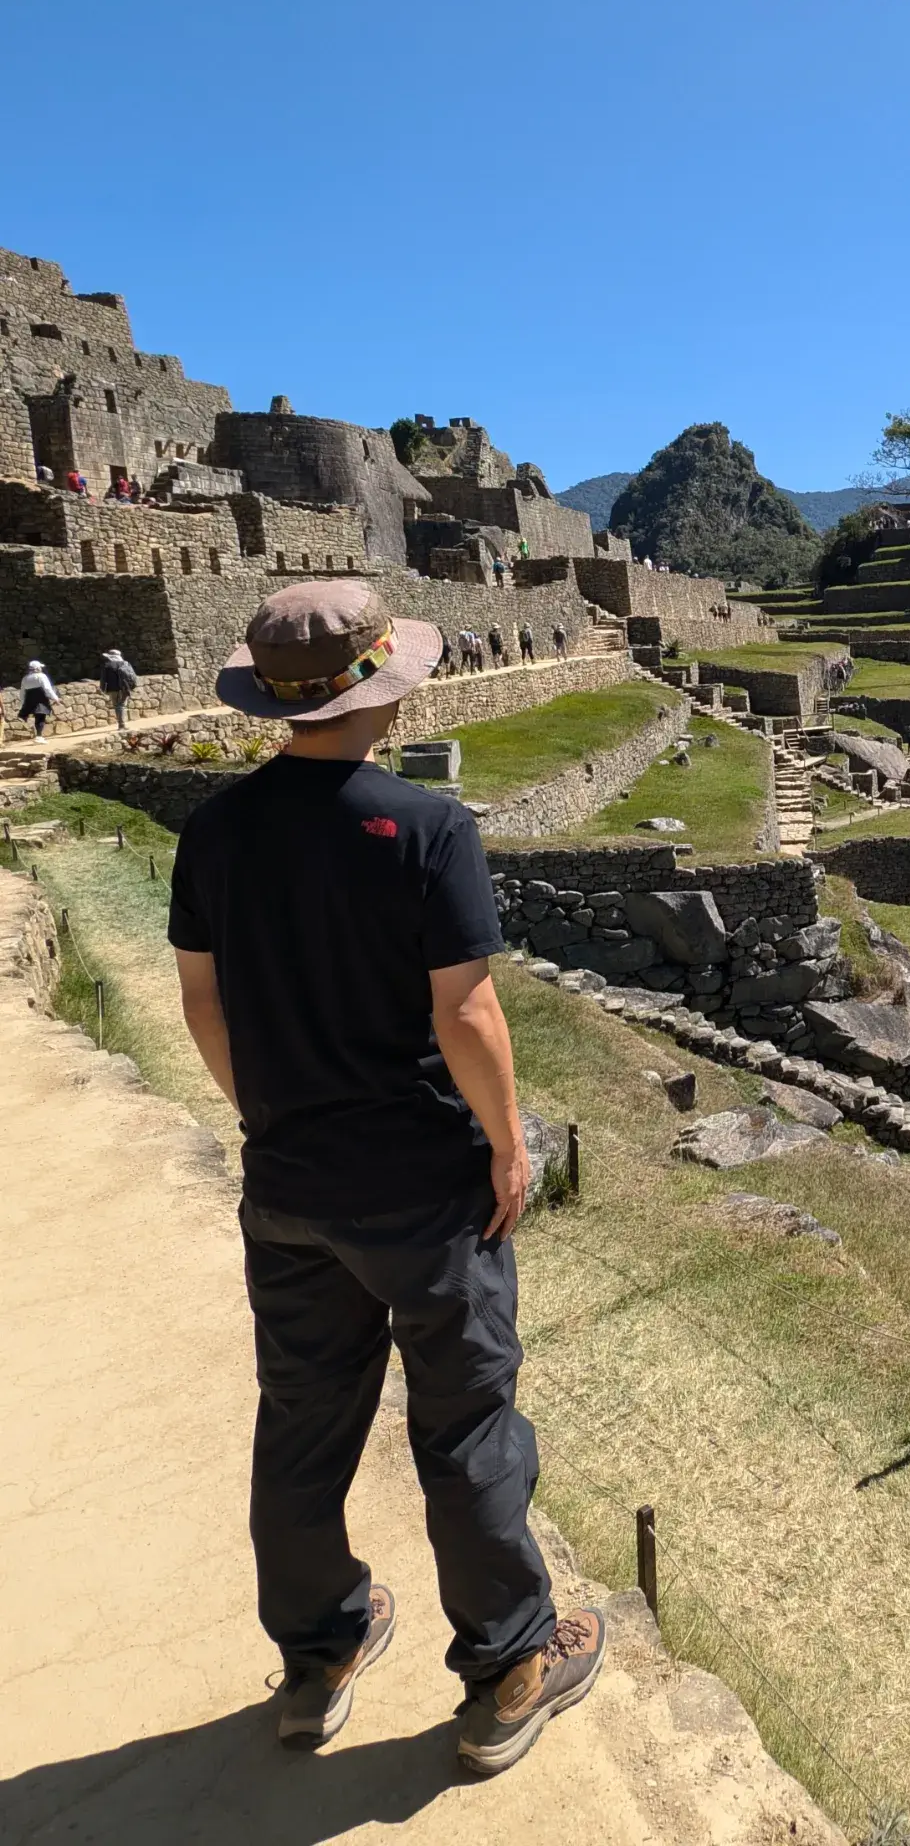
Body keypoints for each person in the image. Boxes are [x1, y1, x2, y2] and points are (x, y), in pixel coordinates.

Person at [168, 580, 603, 1771]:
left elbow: (203, 1002)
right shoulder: (425, 829)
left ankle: (319, 1653)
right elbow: (465, 1011)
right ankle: (511, 1665)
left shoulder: (215, 831)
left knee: (303, 1419)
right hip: (423, 1189)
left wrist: (265, 1112)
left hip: (290, 1182)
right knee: (466, 1423)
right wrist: (508, 1141)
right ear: (380, 691)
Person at [99, 646, 138, 728]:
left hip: (113, 689)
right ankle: (122, 724)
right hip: (125, 688)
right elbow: (133, 676)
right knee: (122, 705)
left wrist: (102, 689)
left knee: (117, 706)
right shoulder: (126, 663)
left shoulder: (107, 665)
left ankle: (121, 725)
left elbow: (103, 679)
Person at [18, 660, 58, 738]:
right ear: (37, 668)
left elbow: (22, 692)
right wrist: (55, 698)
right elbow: (47, 688)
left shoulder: (25, 678)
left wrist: (23, 704)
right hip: (40, 699)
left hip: (29, 700)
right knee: (40, 717)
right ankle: (39, 736)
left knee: (37, 717)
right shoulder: (41, 676)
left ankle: (38, 735)